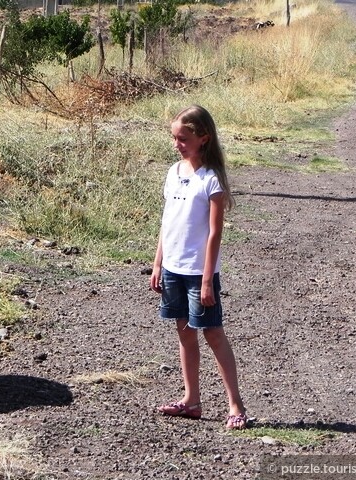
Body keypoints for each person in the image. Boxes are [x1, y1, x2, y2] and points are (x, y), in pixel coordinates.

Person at [150, 105, 247, 430]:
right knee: (184, 332)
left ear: (203, 138)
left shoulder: (211, 180)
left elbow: (215, 233)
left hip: (198, 273)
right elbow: (167, 223)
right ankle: (191, 400)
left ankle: (235, 405)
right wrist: (158, 263)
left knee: (213, 333)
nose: (177, 144)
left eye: (184, 138)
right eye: (175, 138)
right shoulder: (173, 172)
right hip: (173, 269)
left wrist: (207, 281)